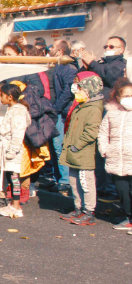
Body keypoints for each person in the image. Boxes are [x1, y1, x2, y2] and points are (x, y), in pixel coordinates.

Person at [58, 73, 103, 225]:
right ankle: (79, 208)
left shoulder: (94, 108)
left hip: (83, 152)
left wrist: (77, 146)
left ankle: (89, 211)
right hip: (74, 151)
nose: (78, 91)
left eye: (81, 89)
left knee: (86, 183)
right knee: (74, 181)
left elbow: (91, 132)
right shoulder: (81, 106)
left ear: (90, 90)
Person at [98, 78, 132, 232]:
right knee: (122, 190)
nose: (129, 99)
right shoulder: (112, 113)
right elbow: (103, 132)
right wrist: (105, 149)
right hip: (116, 159)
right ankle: (129, 217)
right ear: (118, 98)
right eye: (126, 96)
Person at [0, 83, 31, 218]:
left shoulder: (18, 111)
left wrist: (13, 150)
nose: (0, 98)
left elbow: (18, 133)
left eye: (2, 95)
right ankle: (13, 204)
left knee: (15, 177)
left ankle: (16, 206)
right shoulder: (11, 109)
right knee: (11, 176)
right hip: (7, 146)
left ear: (10, 97)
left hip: (13, 148)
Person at [50, 40, 79, 190]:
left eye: (53, 47)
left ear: (60, 51)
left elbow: (68, 90)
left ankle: (65, 180)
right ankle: (58, 178)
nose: (50, 48)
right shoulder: (57, 66)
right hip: (56, 111)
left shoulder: (69, 68)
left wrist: (56, 108)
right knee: (54, 146)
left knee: (59, 145)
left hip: (62, 112)